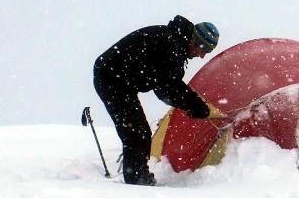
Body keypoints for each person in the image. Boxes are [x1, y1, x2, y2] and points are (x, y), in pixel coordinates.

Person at [93, 15, 219, 185]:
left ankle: (138, 177)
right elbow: (166, 88)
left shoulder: (175, 42)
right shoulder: (169, 45)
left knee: (139, 132)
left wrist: (193, 104)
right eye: (204, 50)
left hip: (121, 80)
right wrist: (195, 105)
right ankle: (137, 181)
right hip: (111, 79)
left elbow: (168, 85)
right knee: (136, 133)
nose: (203, 56)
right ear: (196, 42)